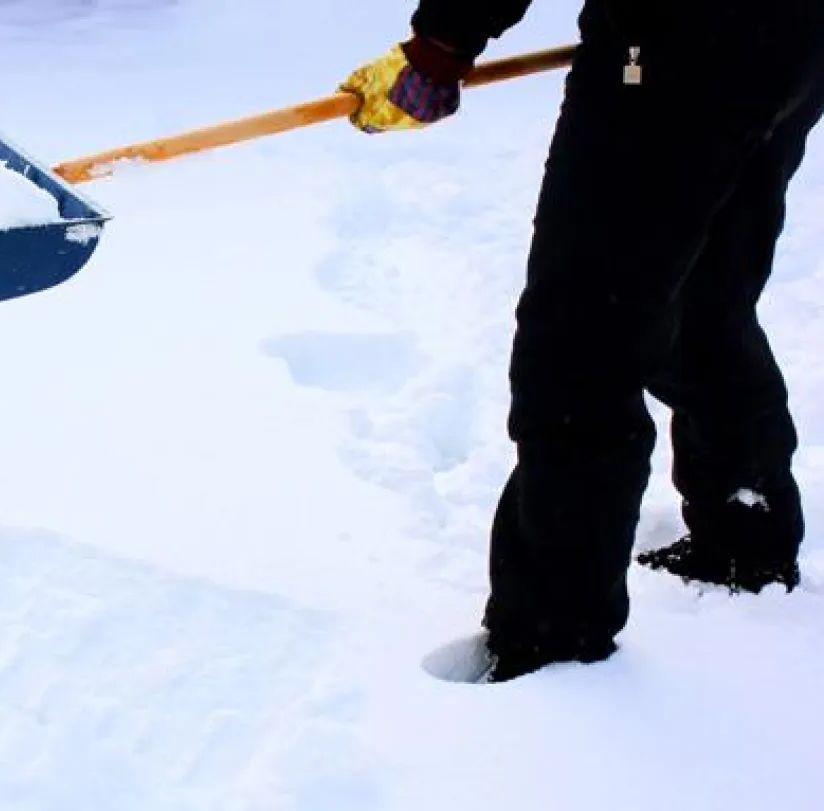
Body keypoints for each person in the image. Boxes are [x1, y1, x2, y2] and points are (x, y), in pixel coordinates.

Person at [340, 0, 824, 682]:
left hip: (669, 54)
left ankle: (552, 638)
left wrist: (440, 46)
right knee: (703, 300)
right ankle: (747, 540)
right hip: (790, 43)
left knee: (581, 344)